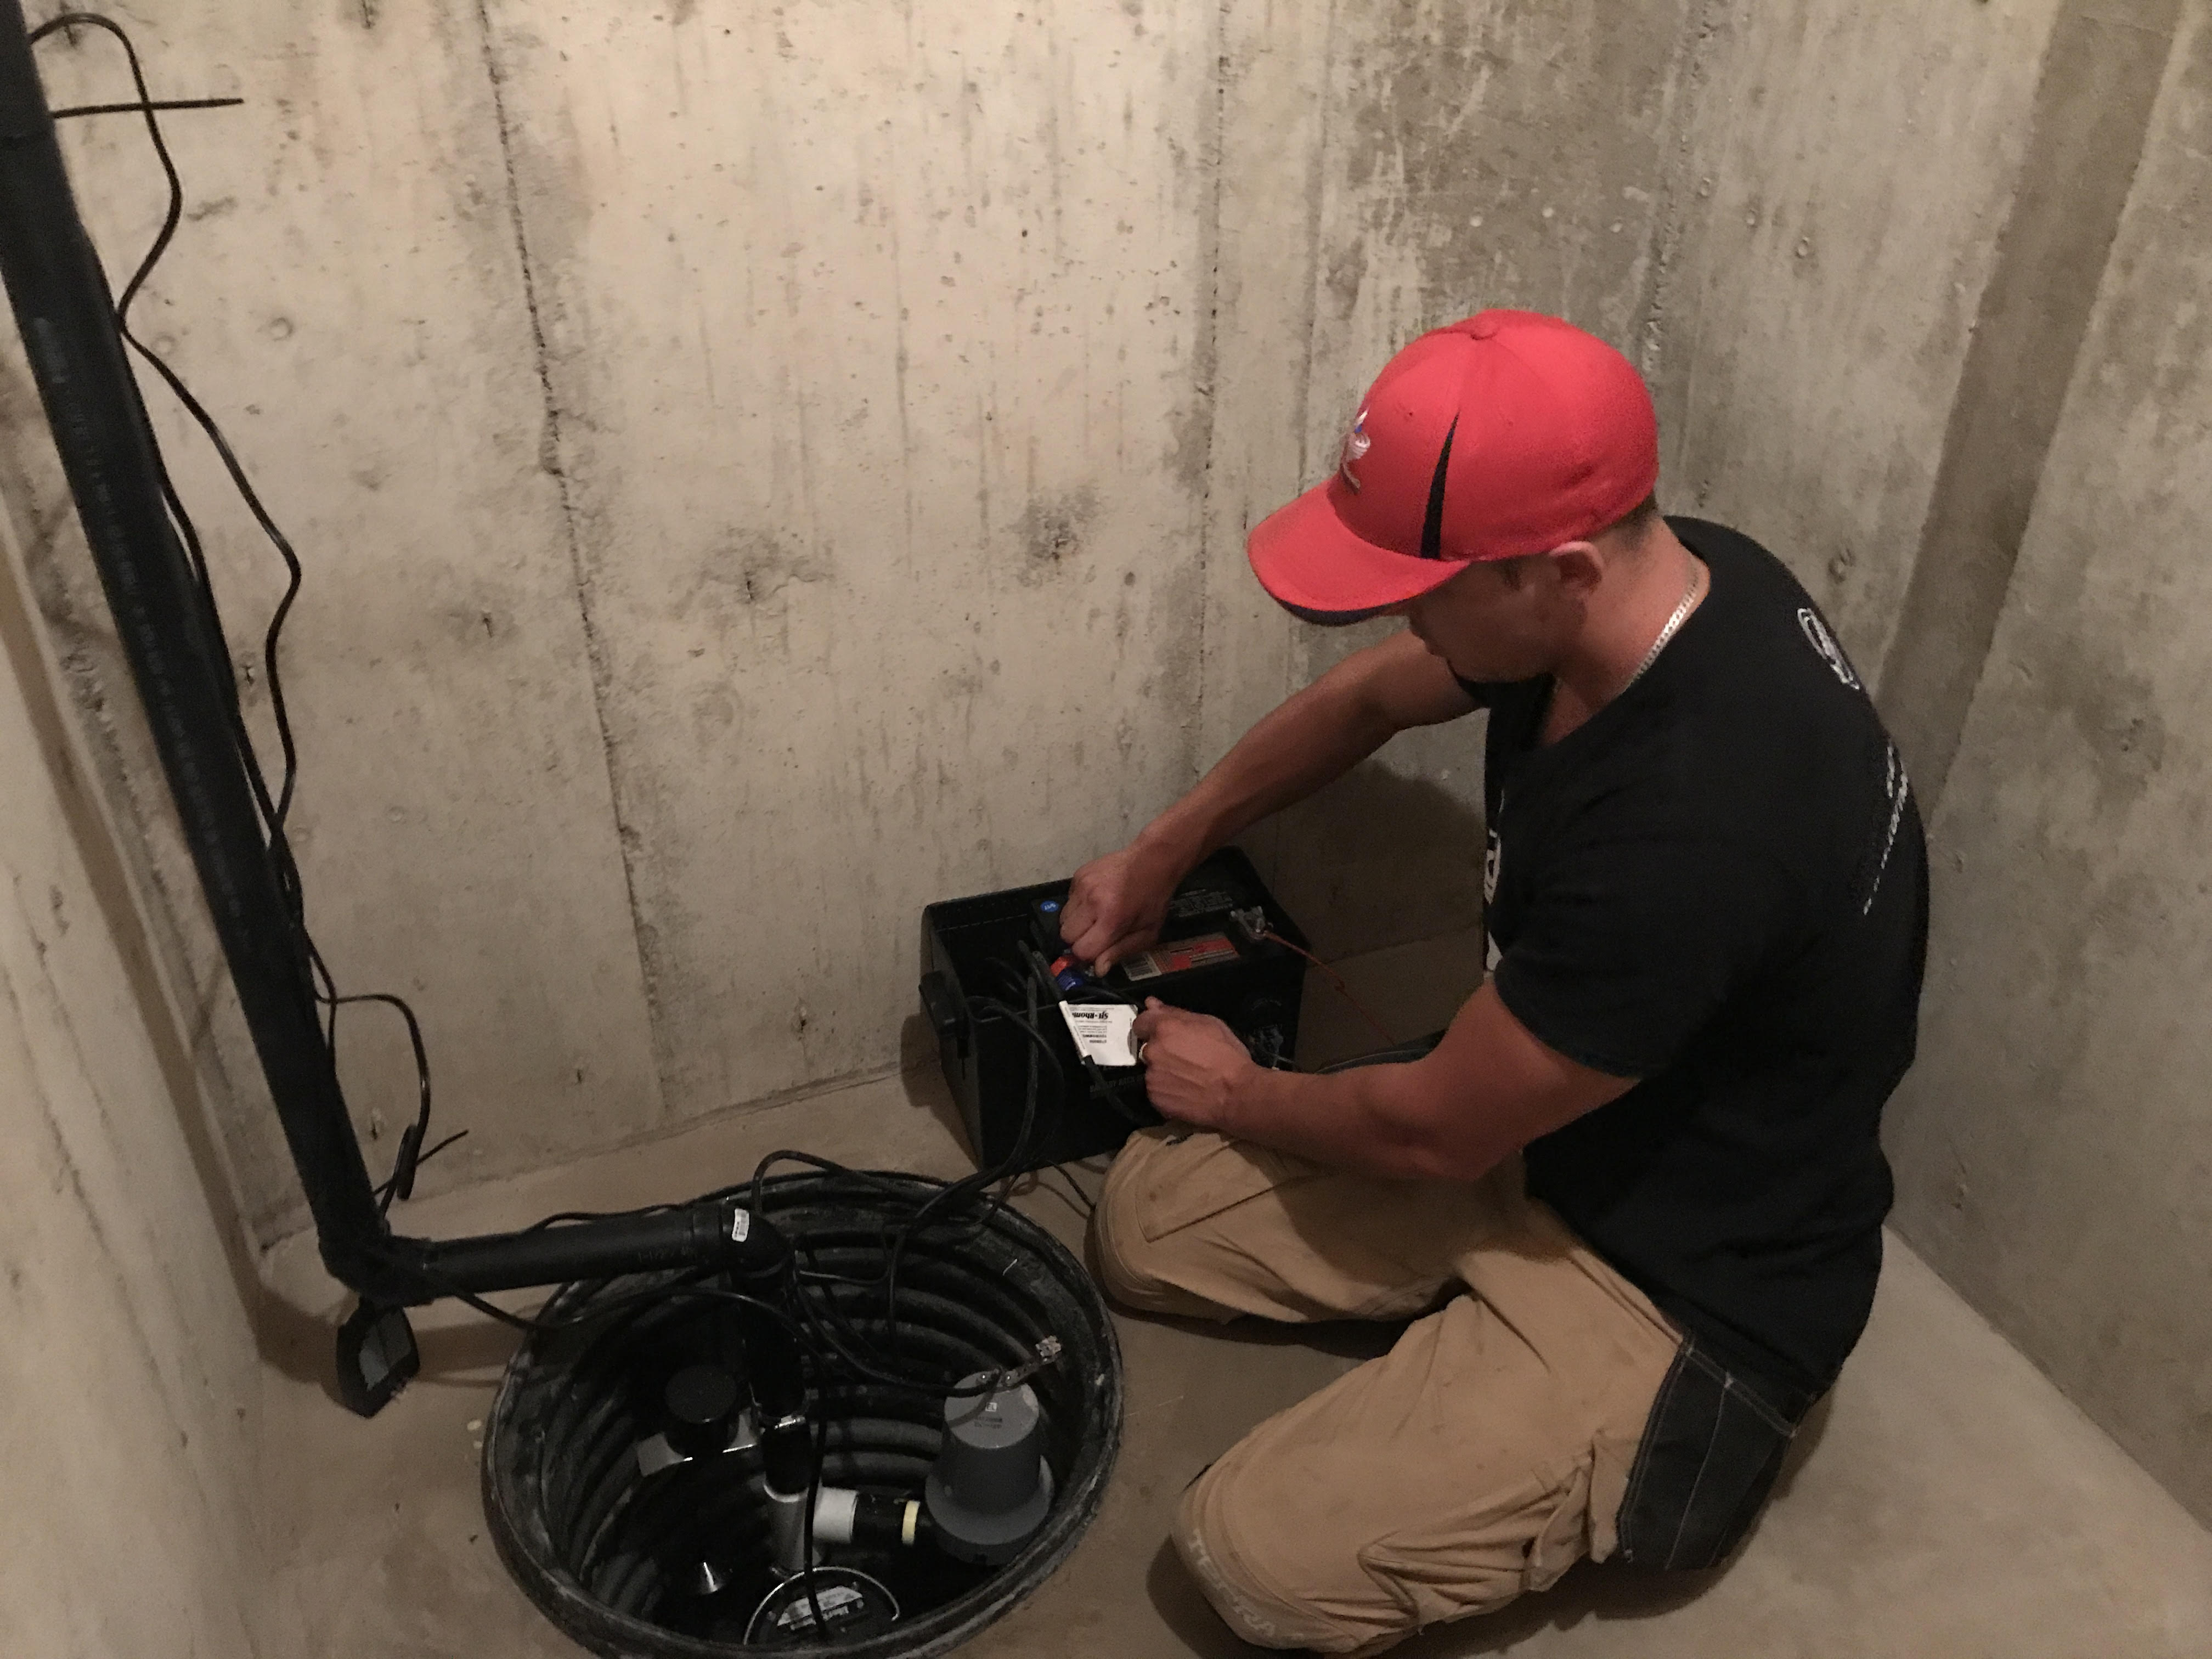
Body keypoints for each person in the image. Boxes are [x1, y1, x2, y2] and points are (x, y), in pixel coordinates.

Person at [1058, 310, 1928, 1654]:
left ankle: (1651, 1437)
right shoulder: (1672, 579)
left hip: (1687, 1287)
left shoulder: (1699, 829)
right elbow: (1364, 703)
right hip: (1557, 1136)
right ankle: (1466, 1331)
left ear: (1557, 571)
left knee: (1248, 1557)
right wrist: (1164, 849)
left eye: (1425, 581)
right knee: (1144, 1227)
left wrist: (1240, 1093)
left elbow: (1432, 1129)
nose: (1406, 612)